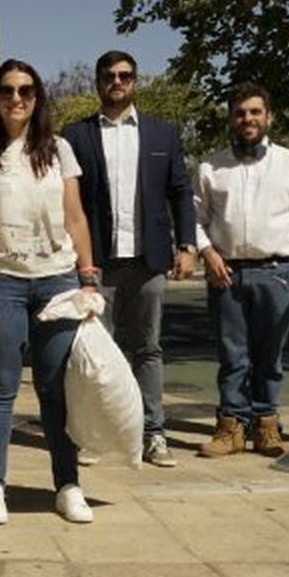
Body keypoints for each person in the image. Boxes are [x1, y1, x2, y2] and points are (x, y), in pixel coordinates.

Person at [0, 59, 100, 526]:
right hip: (0, 278)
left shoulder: (58, 150)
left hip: (57, 278)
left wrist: (87, 275)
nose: (15, 99)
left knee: (56, 388)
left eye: (24, 91)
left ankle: (67, 484)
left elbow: (76, 217)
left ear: (37, 97)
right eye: (6, 91)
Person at [62, 51, 196, 468]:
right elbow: (68, 200)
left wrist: (187, 245)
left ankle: (153, 433)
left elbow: (179, 192)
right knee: (92, 353)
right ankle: (93, 437)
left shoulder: (162, 134)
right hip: (95, 262)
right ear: (98, 83)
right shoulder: (75, 135)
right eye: (109, 76)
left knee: (148, 349)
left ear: (136, 82)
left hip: (149, 259)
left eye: (125, 76)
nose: (117, 82)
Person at [194, 83, 289, 458]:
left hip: (275, 272)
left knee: (270, 355)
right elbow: (194, 219)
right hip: (224, 271)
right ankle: (230, 427)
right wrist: (207, 252)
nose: (248, 119)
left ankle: (267, 425)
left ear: (269, 117)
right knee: (232, 354)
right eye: (241, 112)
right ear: (231, 118)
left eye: (255, 112)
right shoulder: (211, 166)